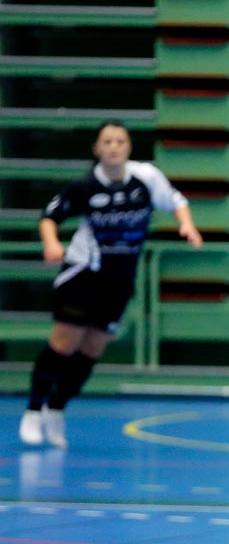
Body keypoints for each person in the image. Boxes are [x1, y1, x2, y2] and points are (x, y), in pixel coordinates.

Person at [20, 121, 201, 447]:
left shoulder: (146, 177)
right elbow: (49, 217)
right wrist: (51, 244)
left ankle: (56, 408)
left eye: (120, 141)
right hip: (83, 271)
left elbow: (176, 200)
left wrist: (186, 226)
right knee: (65, 343)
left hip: (120, 279)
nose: (114, 146)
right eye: (107, 141)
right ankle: (33, 410)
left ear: (128, 147)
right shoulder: (86, 186)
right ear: (97, 149)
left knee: (92, 349)